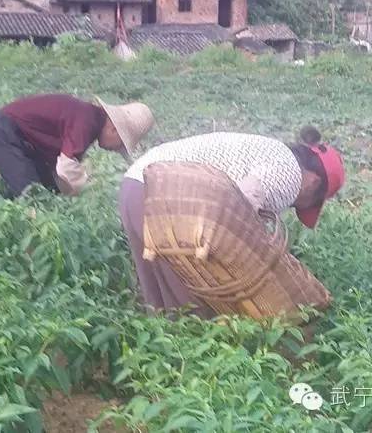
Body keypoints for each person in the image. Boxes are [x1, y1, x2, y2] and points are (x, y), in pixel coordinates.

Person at [118, 126, 345, 317]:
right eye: (307, 204)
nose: (296, 206)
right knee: (194, 307)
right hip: (166, 196)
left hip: (136, 185)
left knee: (158, 300)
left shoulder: (273, 153)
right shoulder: (291, 175)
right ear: (314, 183)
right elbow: (240, 210)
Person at [0, 93, 155, 198]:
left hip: (21, 141)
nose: (115, 150)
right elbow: (66, 168)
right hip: (5, 134)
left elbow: (60, 169)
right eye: (119, 145)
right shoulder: (87, 121)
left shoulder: (89, 119)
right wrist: (85, 194)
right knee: (31, 196)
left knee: (48, 191)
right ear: (114, 130)